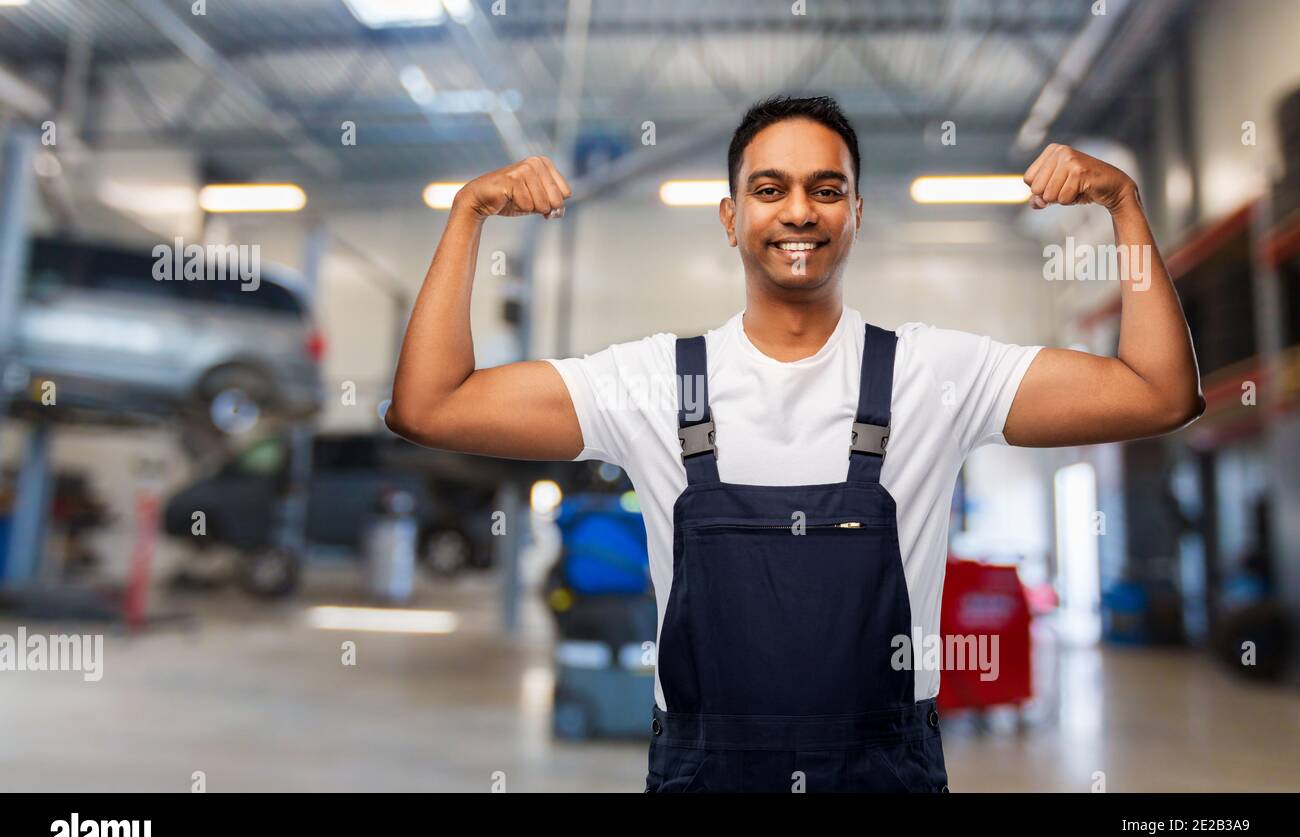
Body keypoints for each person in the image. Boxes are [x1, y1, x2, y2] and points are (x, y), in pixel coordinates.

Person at [386, 95, 1204, 792]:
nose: (800, 211)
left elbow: (1160, 393)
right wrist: (469, 215)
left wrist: (1125, 204)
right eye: (770, 188)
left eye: (827, 188)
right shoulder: (653, 383)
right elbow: (432, 405)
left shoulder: (936, 372)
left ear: (857, 212)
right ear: (731, 217)